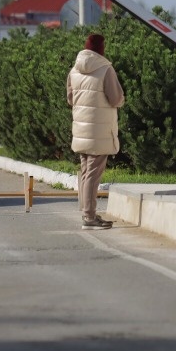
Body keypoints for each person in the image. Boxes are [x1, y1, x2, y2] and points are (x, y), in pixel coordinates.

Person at [67, 33, 125, 230]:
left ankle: (88, 213)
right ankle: (89, 217)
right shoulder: (106, 69)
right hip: (100, 131)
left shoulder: (74, 70)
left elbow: (70, 99)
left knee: (86, 173)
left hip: (81, 130)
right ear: (101, 49)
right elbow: (116, 98)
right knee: (92, 174)